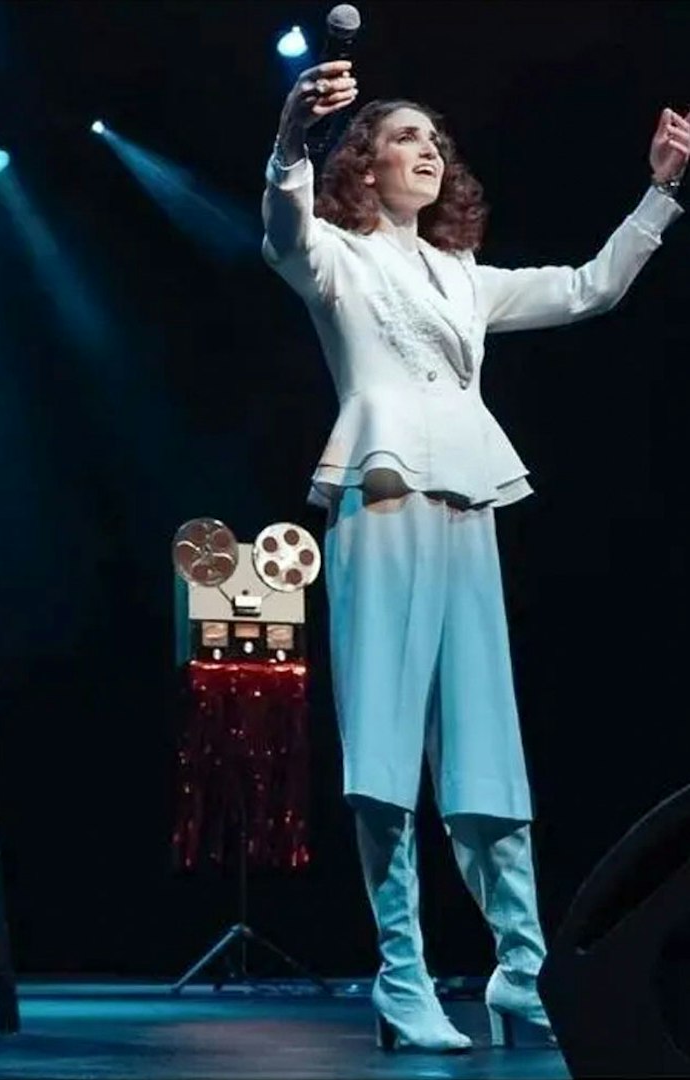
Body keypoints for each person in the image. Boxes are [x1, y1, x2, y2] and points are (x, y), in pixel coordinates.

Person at [262, 62, 689, 1051]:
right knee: (383, 744)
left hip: (469, 507)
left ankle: (518, 968)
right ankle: (401, 977)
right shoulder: (330, 252)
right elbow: (283, 226)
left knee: (488, 748)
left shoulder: (461, 277)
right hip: (383, 499)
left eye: (435, 143)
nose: (429, 153)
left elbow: (589, 290)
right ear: (363, 166)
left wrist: (660, 193)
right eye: (408, 137)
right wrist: (290, 137)